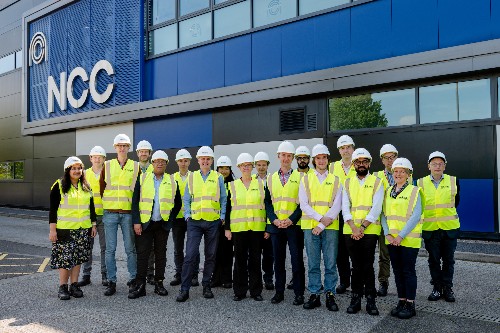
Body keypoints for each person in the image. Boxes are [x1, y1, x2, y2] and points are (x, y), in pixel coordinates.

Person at [176, 146, 227, 302]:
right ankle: (184, 289)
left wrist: (222, 217)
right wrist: (187, 216)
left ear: (211, 161)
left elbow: (224, 199)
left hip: (212, 222)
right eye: (202, 159)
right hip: (195, 222)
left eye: (208, 159)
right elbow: (186, 199)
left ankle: (206, 285)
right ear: (198, 160)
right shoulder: (191, 177)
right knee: (190, 255)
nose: (205, 161)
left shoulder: (218, 177)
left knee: (210, 255)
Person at [129, 150, 181, 299]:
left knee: (161, 255)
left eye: (162, 161)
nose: (159, 163)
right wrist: (136, 221)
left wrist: (169, 220)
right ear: (152, 163)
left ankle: (159, 284)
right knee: (142, 255)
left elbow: (178, 204)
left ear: (166, 164)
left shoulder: (172, 181)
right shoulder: (142, 178)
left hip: (162, 225)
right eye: (157, 161)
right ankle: (140, 286)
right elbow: (135, 202)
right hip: (145, 224)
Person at [299, 144, 341, 311]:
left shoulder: (336, 180)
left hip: (329, 227)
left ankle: (330, 294)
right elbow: (304, 204)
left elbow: (337, 205)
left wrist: (322, 225)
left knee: (331, 263)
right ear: (314, 160)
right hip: (311, 227)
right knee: (313, 263)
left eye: (324, 158)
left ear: (328, 160)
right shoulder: (306, 179)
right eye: (318, 158)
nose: (321, 161)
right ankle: (315, 293)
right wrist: (319, 221)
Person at [342, 148, 383, 315]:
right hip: (350, 230)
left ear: (369, 163)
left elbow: (376, 208)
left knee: (367, 265)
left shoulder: (377, 182)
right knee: (356, 266)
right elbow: (345, 207)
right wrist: (353, 227)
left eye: (364, 162)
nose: (361, 164)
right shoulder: (347, 182)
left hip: (369, 230)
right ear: (353, 164)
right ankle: (356, 299)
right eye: (358, 162)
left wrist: (362, 227)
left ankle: (371, 301)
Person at [49, 157, 97, 300]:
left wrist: (93, 224)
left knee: (78, 258)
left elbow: (91, 208)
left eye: (79, 168)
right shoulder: (58, 185)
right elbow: (52, 210)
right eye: (73, 168)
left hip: (83, 228)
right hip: (65, 229)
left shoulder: (86, 186)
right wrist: (53, 230)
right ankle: (63, 287)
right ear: (68, 170)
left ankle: (74, 285)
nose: (77, 171)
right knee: (65, 259)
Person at [381, 158, 423, 320]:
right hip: (391, 240)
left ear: (408, 174)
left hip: (408, 240)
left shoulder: (415, 191)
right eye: (396, 171)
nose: (398, 174)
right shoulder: (388, 191)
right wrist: (388, 233)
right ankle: (402, 300)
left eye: (402, 171)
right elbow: (383, 214)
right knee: (397, 272)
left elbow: (416, 216)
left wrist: (400, 236)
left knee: (408, 271)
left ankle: (410, 304)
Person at [265, 141, 305, 305]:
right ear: (278, 156)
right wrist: (274, 220)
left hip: (293, 227)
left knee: (297, 261)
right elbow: (267, 203)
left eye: (289, 156)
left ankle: (299, 293)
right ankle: (279, 292)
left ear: (293, 158)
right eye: (284, 155)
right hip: (276, 227)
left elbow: (304, 203)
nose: (286, 158)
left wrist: (291, 220)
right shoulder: (270, 178)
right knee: (278, 262)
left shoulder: (302, 177)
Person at [100, 134, 140, 296]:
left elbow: (138, 192)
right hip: (110, 213)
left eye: (125, 146)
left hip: (128, 213)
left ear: (129, 148)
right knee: (110, 249)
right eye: (119, 146)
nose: (122, 148)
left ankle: (132, 279)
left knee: (130, 249)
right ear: (115, 147)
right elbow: (101, 187)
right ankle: (112, 281)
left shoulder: (136, 166)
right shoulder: (107, 165)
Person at [418, 151, 460, 303]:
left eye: (440, 163)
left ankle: (447, 288)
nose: (437, 166)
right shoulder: (420, 183)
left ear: (445, 165)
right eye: (434, 163)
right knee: (434, 260)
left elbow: (457, 201)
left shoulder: (453, 180)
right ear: (429, 166)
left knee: (449, 260)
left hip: (449, 228)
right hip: (430, 229)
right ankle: (437, 287)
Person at [225, 153, 266, 301]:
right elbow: (228, 208)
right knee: (240, 260)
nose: (246, 167)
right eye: (243, 165)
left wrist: (267, 228)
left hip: (256, 228)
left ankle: (256, 291)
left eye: (248, 165)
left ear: (252, 167)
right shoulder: (232, 186)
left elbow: (266, 206)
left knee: (255, 259)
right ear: (239, 167)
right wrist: (227, 229)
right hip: (239, 228)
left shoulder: (261, 184)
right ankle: (240, 291)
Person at [329, 135, 356, 294]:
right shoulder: (332, 167)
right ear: (339, 150)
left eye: (348, 147)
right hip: (337, 216)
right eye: (342, 148)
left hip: (354, 216)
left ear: (353, 148)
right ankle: (344, 281)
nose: (346, 151)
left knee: (355, 251)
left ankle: (357, 282)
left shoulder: (360, 164)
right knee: (340, 252)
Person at [77, 146, 108, 287]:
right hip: (89, 217)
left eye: (100, 157)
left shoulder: (108, 174)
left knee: (105, 248)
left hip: (105, 215)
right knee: (87, 247)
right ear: (90, 158)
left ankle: (105, 276)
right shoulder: (84, 174)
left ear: (104, 159)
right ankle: (86, 275)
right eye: (94, 156)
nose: (97, 159)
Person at [170, 149, 200, 287]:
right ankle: (179, 273)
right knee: (178, 248)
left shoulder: (195, 177)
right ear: (177, 162)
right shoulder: (171, 178)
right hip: (177, 218)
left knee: (193, 248)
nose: (183, 163)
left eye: (186, 161)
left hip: (192, 217)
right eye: (181, 161)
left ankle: (193, 274)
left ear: (189, 162)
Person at [373, 144, 399, 297]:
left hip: (399, 224)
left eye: (392, 157)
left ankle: (402, 284)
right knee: (384, 255)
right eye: (386, 158)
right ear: (382, 160)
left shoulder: (405, 175)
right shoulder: (376, 176)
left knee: (400, 256)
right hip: (381, 222)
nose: (390, 161)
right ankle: (383, 282)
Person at [285, 146, 311, 290]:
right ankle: (296, 279)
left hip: (310, 221)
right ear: (296, 160)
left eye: (305, 158)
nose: (302, 160)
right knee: (297, 255)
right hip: (295, 223)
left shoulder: (313, 175)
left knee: (312, 256)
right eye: (299, 158)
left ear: (309, 159)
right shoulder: (292, 176)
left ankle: (314, 281)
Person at [210, 156, 234, 289]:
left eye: (226, 168)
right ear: (217, 169)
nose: (224, 171)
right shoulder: (213, 184)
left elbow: (231, 207)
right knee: (214, 251)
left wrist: (228, 226)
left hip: (228, 225)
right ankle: (215, 278)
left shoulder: (234, 185)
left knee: (227, 252)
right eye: (221, 168)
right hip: (214, 223)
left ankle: (227, 278)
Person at [136, 140, 156, 285]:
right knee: (137, 245)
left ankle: (150, 273)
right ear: (138, 153)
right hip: (136, 212)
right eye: (141, 151)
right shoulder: (132, 168)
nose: (143, 153)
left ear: (150, 153)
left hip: (150, 212)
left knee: (152, 247)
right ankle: (138, 274)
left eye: (146, 151)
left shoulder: (154, 169)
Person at [254, 151, 274, 291]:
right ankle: (256, 280)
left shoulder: (272, 180)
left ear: (268, 165)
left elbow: (271, 205)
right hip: (254, 224)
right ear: (255, 166)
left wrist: (268, 227)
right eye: (259, 165)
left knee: (268, 255)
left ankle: (268, 278)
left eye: (264, 165)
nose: (261, 167)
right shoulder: (251, 181)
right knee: (254, 254)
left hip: (268, 225)